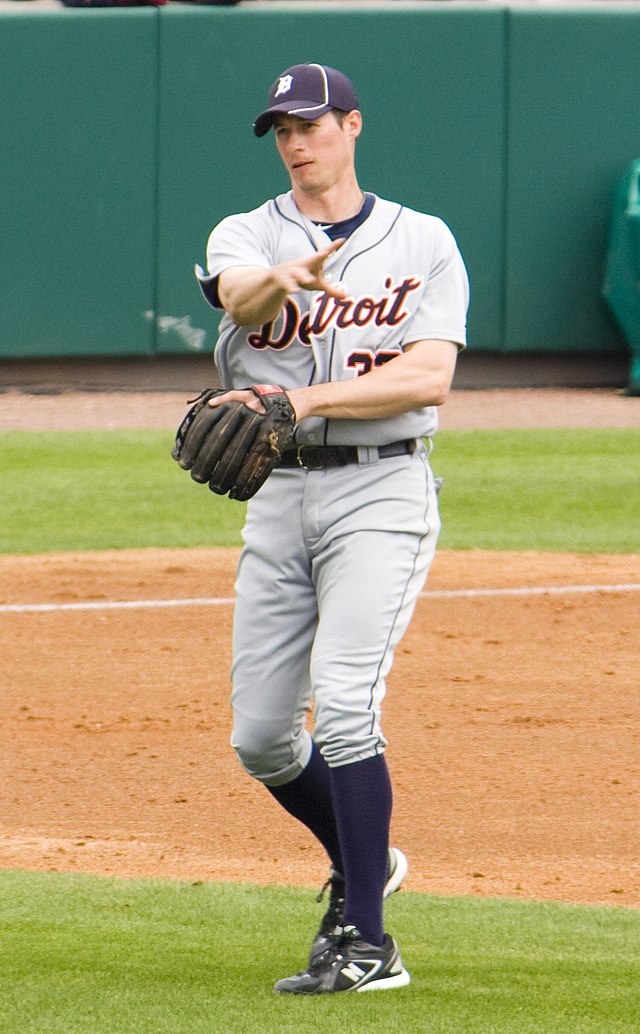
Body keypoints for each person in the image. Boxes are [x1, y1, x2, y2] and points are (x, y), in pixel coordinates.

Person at [195, 62, 469, 994]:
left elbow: (428, 377)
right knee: (263, 741)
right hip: (279, 497)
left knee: (346, 704)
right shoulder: (245, 232)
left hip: (381, 492)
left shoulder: (423, 240)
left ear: (352, 126)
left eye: (310, 123)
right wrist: (275, 278)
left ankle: (368, 942)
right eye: (281, 129)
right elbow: (239, 297)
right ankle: (365, 862)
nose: (295, 141)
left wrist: (298, 398)